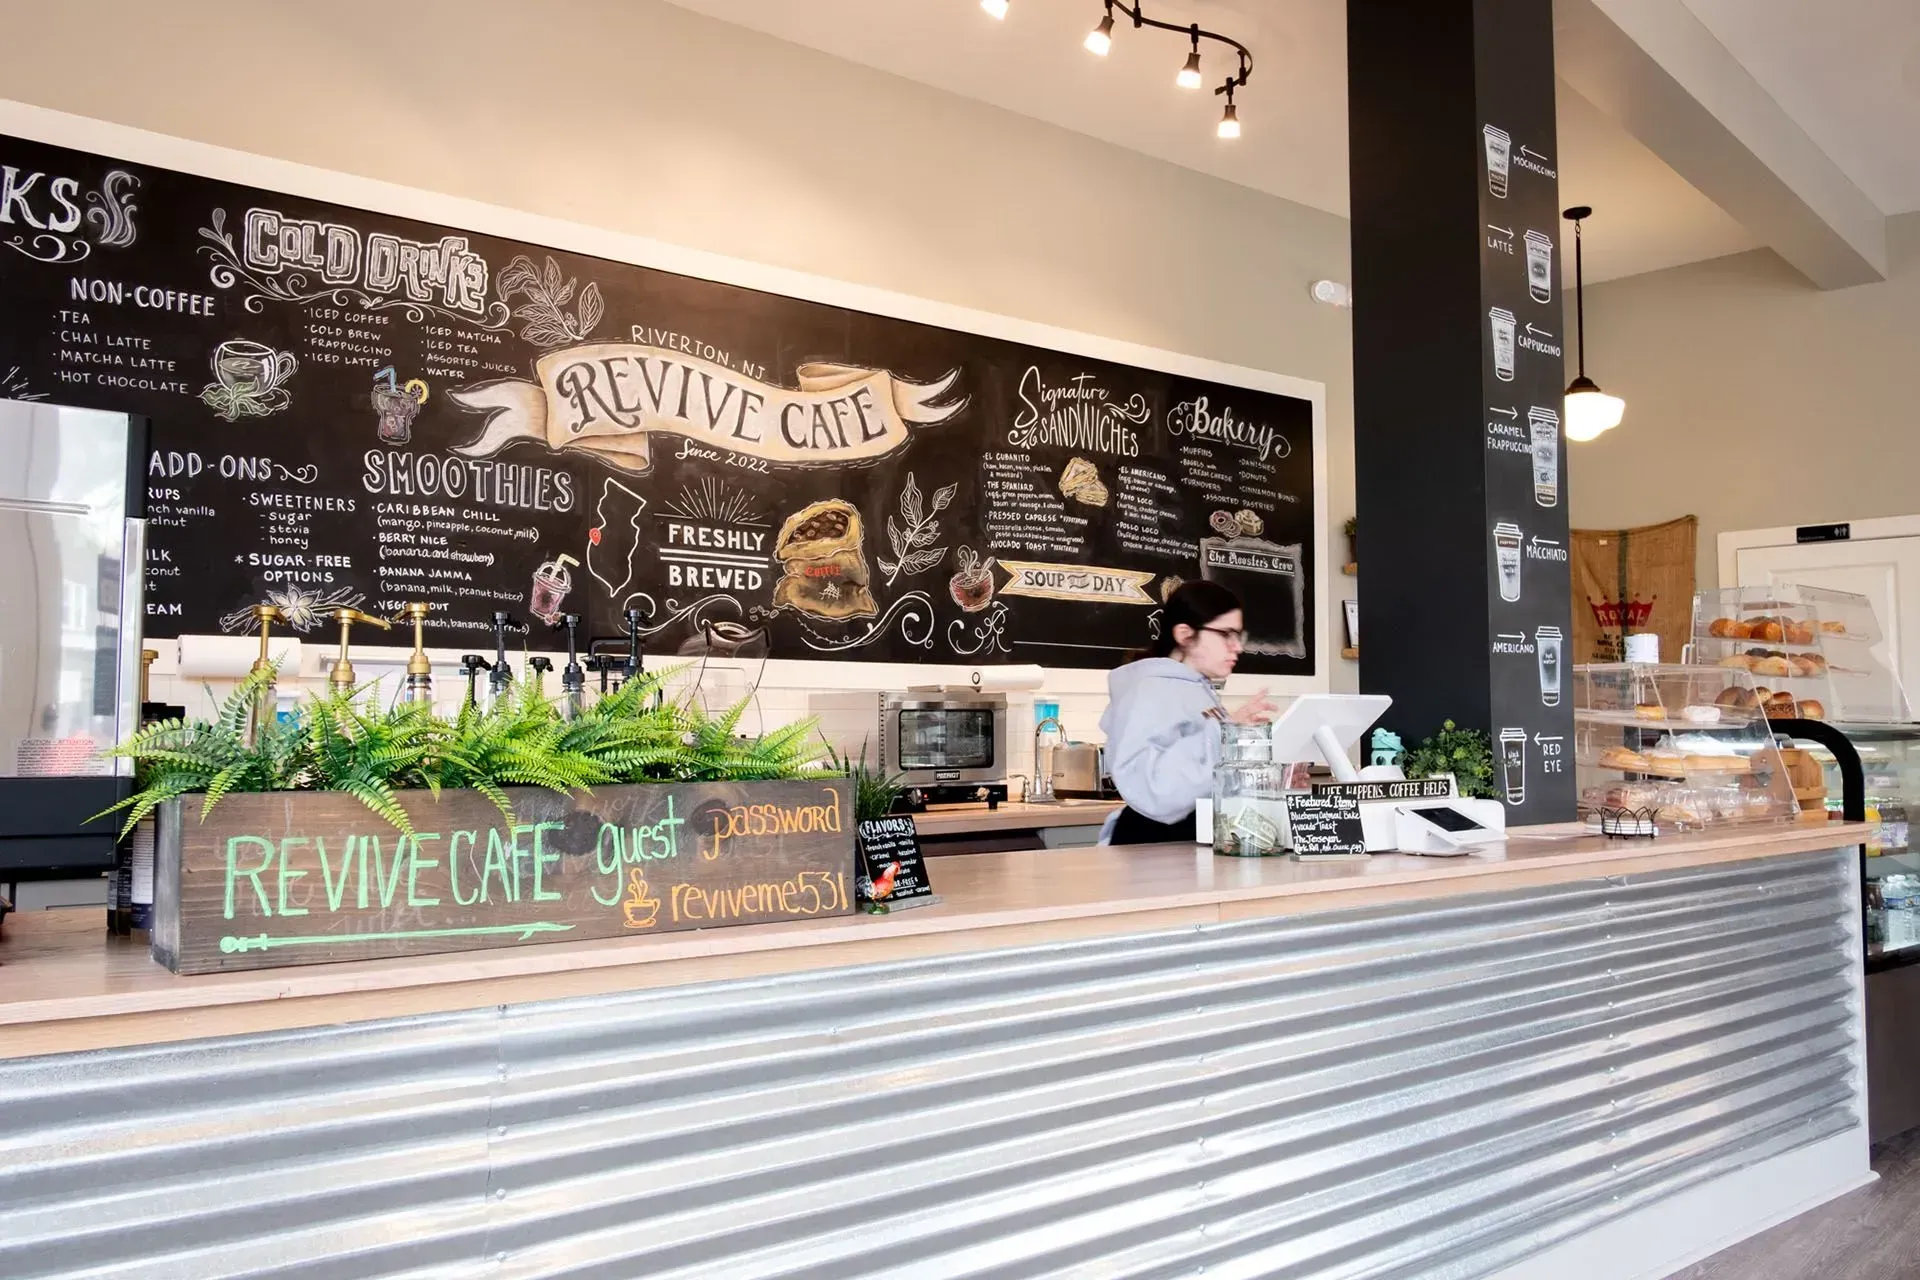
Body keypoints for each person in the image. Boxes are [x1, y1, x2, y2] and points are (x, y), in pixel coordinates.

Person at [1099, 581, 1278, 845]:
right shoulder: (1149, 691)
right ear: (1185, 634)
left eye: (1239, 635)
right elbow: (1158, 790)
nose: (1237, 647)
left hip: (1182, 841)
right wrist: (1228, 732)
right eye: (1226, 634)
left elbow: (1206, 774)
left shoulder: (1196, 688)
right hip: (1151, 848)